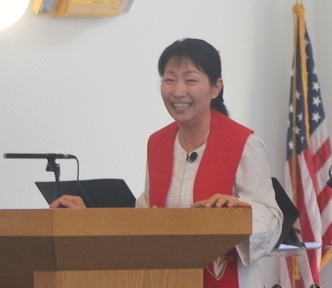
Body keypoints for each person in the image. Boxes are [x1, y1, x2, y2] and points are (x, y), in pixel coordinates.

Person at [50, 38, 283, 288]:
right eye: (169, 79)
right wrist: (88, 220)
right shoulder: (158, 143)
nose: (178, 91)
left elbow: (271, 219)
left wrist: (240, 208)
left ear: (216, 87)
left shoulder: (243, 143)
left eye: (191, 80)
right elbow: (147, 219)